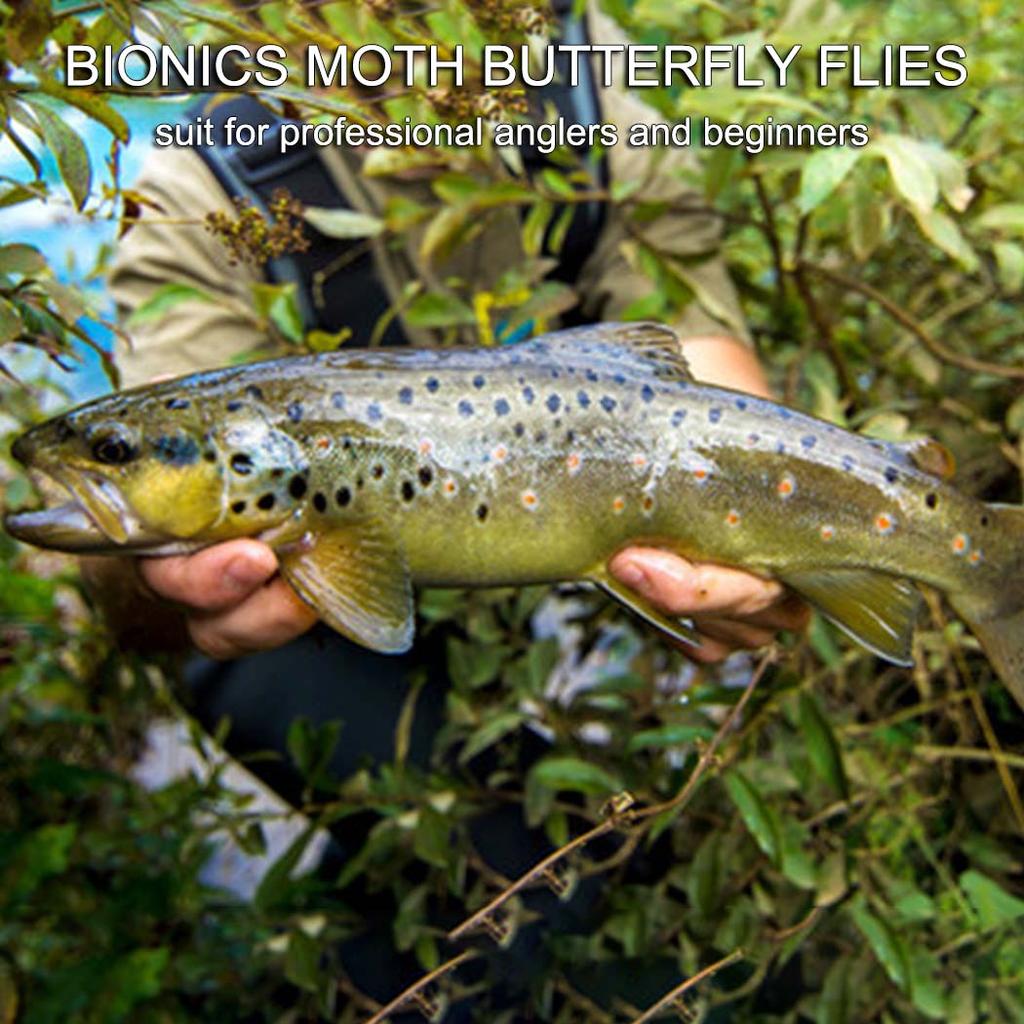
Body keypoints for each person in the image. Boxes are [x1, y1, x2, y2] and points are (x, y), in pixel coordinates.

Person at [90, 2, 808, 1014]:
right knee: (513, 894)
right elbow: (141, 506)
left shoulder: (583, 64)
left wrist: (745, 504)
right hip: (306, 611)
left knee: (669, 865)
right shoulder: (203, 182)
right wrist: (150, 583)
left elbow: (689, 320)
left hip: (568, 544)